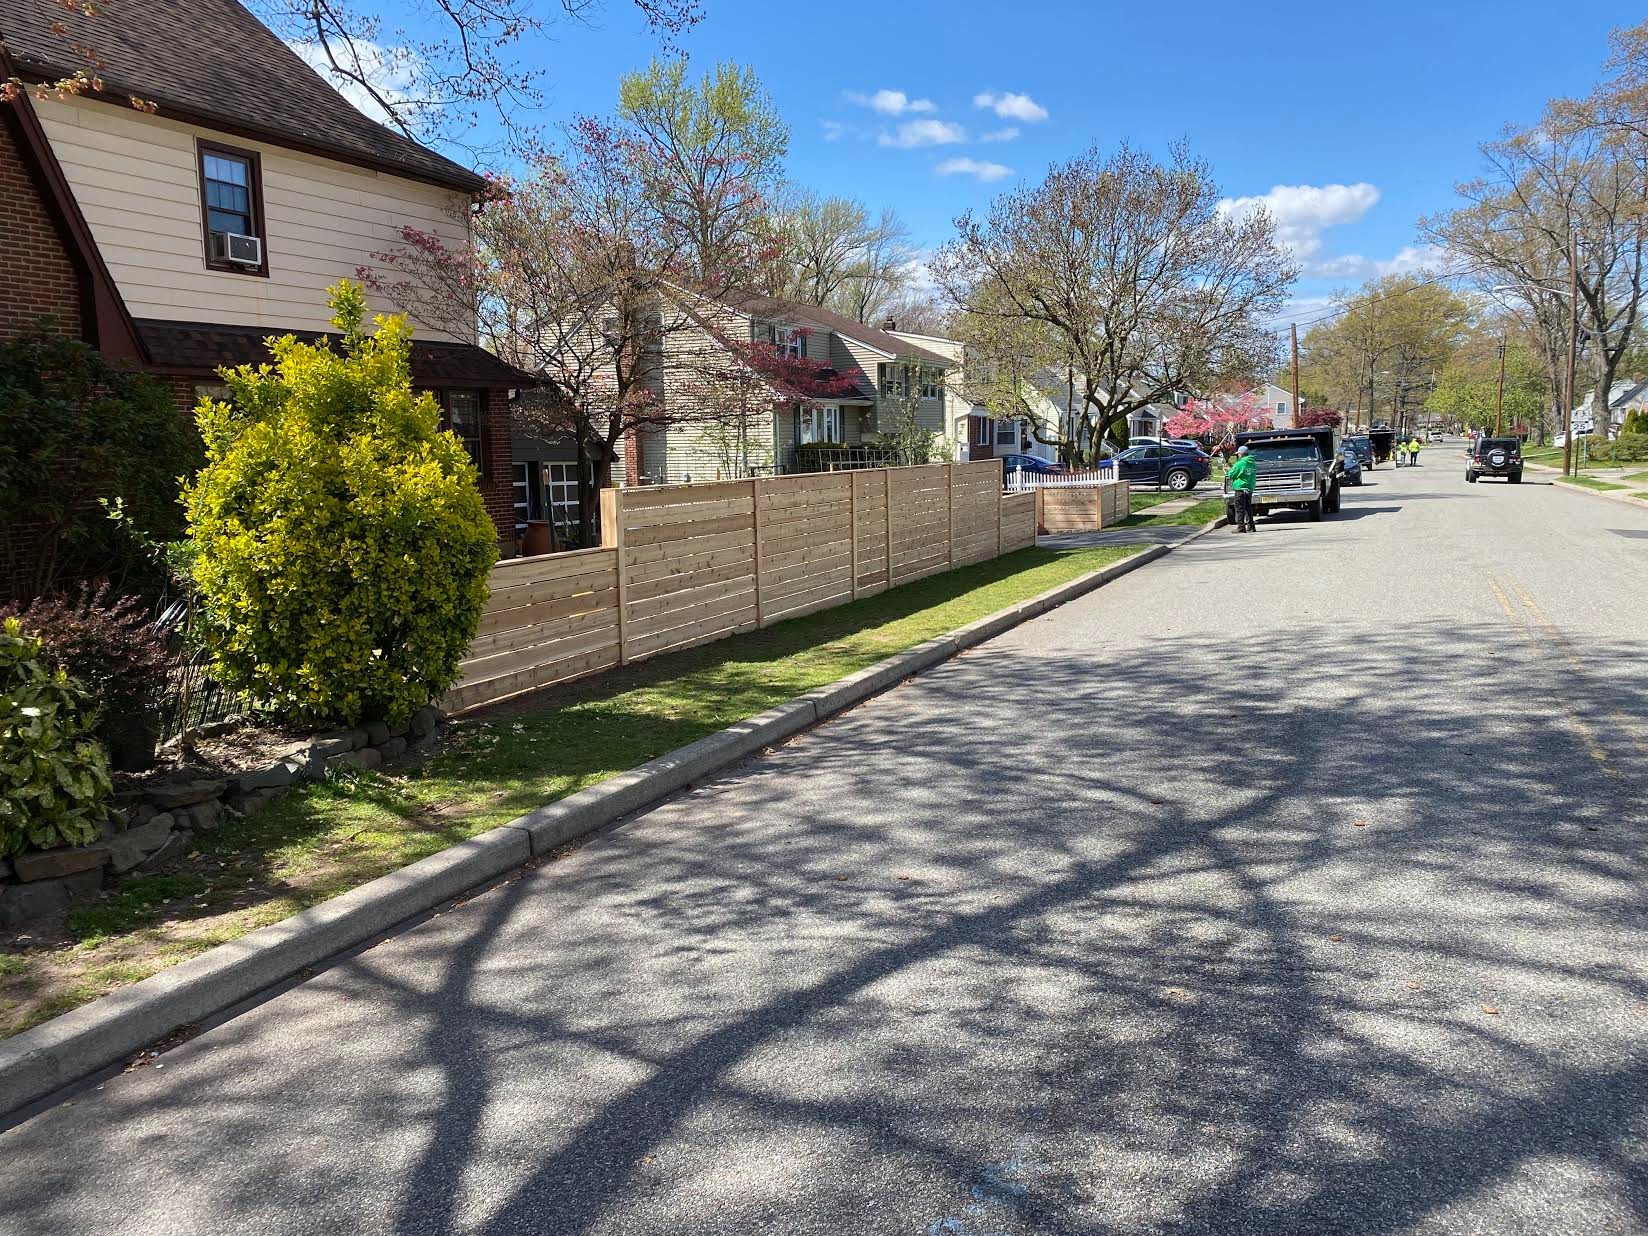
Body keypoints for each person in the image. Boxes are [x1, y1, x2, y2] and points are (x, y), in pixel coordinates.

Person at [1227, 444, 1257, 533]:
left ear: (1242, 454)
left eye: (1238, 454)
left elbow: (1231, 474)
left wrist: (1229, 468)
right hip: (1249, 488)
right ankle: (1251, 527)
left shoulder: (1240, 463)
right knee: (1248, 508)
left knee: (1240, 508)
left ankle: (1241, 527)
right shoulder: (1252, 463)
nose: (1238, 455)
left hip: (1240, 488)